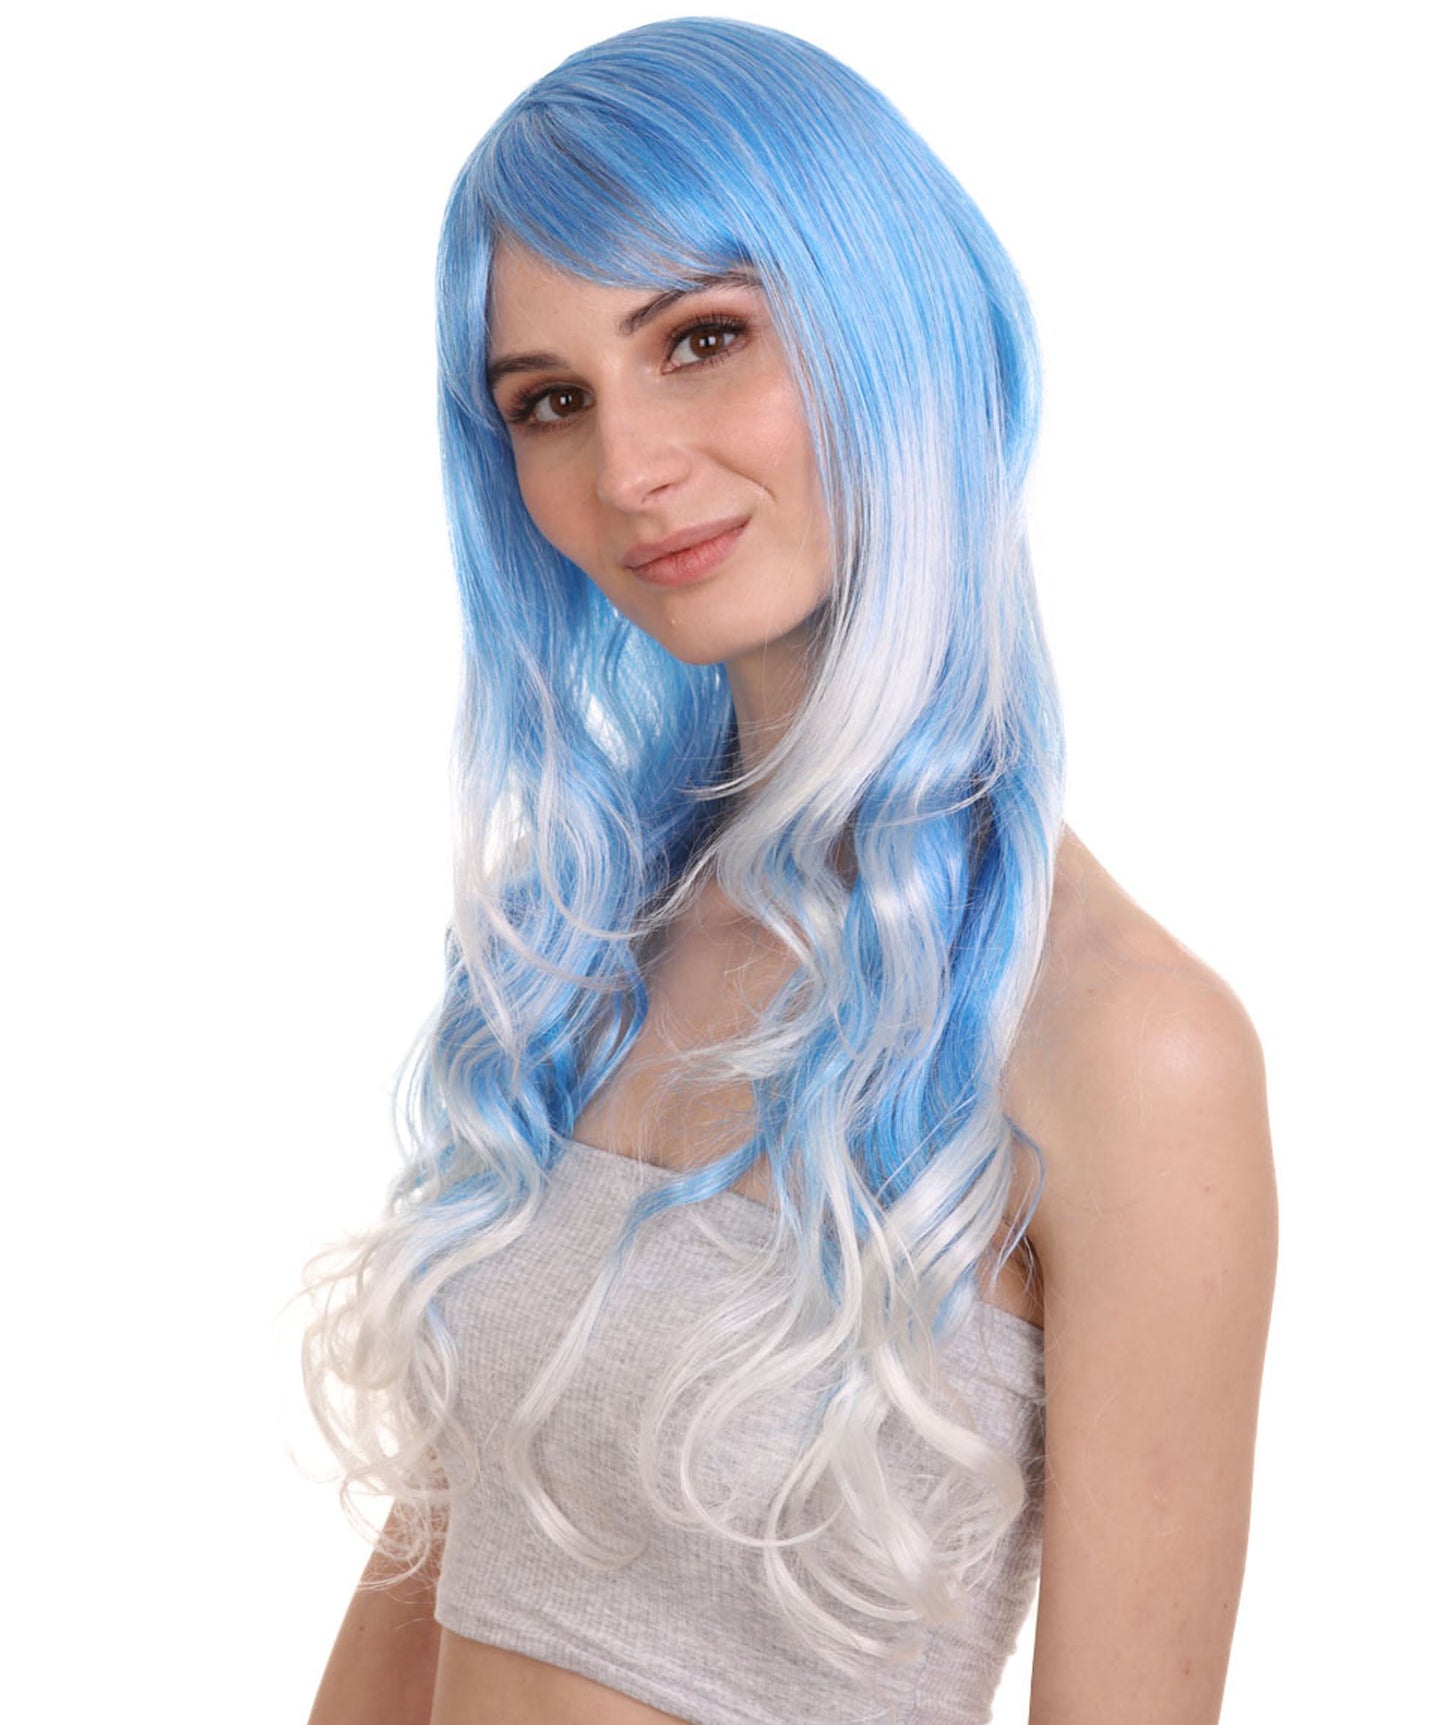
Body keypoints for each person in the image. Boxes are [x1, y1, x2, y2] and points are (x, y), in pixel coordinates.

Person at [303, 18, 1277, 1724]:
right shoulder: (588, 940)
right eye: (549, 401)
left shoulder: (1127, 1045)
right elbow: (439, 1582)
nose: (627, 470)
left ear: (882, 317)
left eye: (701, 338)